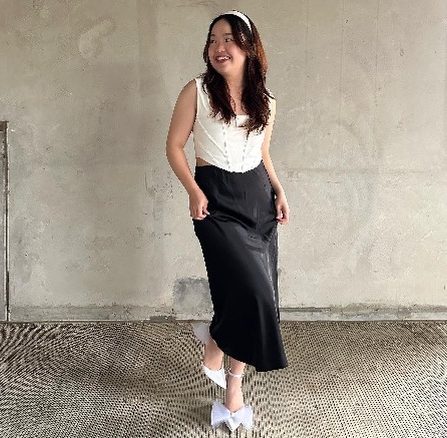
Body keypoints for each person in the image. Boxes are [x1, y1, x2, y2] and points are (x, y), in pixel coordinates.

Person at [165, 10, 290, 432]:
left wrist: (279, 190)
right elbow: (174, 146)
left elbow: (263, 153)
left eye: (230, 39)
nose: (220, 47)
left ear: (249, 48)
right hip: (215, 199)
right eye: (214, 39)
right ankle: (216, 340)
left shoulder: (266, 101)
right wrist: (194, 190)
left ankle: (233, 390)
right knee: (248, 292)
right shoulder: (197, 91)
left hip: (258, 198)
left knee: (261, 296)